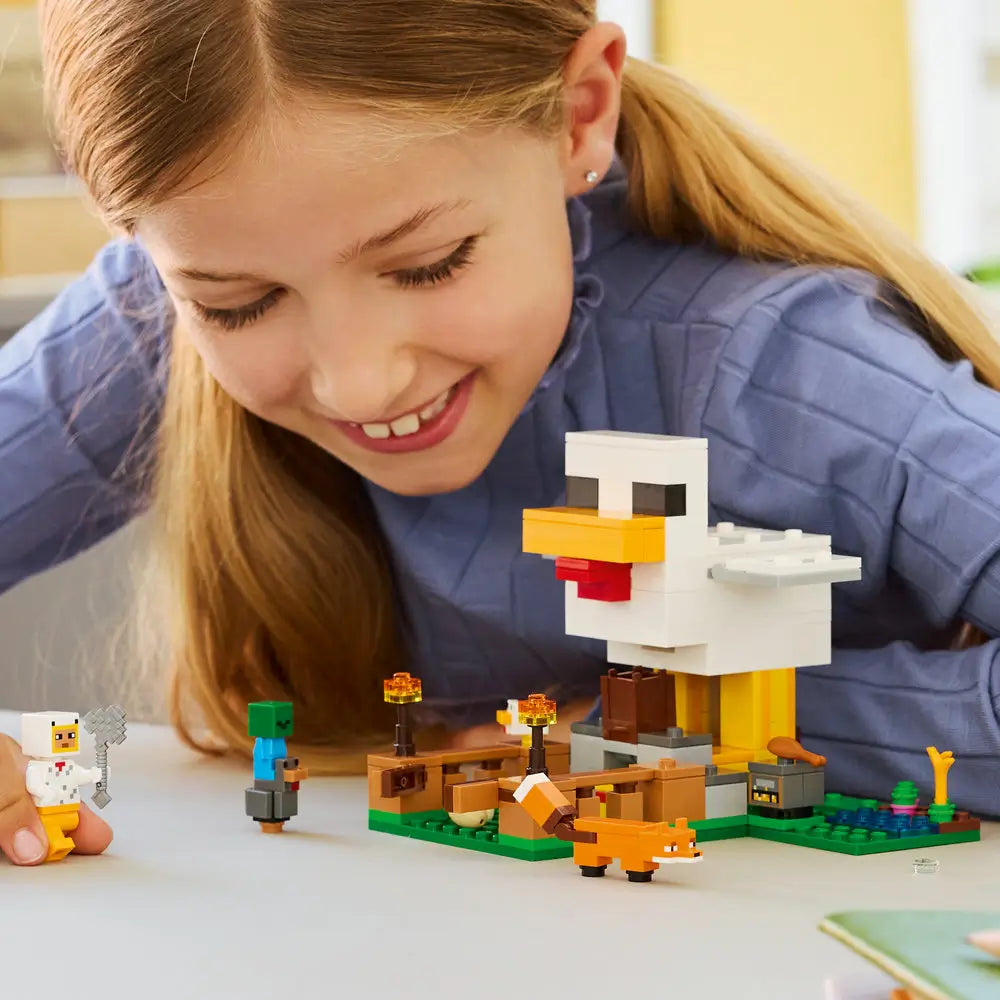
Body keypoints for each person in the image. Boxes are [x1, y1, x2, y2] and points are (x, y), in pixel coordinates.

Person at [0, 0, 998, 867]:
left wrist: (691, 718)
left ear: (580, 114)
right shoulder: (164, 304)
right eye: (240, 306)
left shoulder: (788, 368)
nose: (359, 380)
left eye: (429, 263)